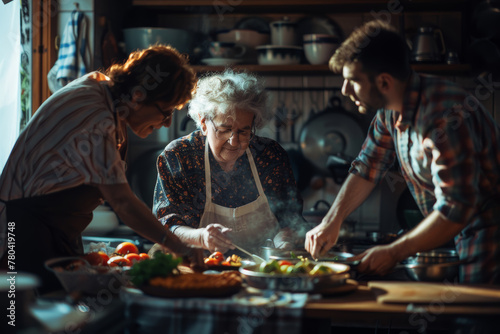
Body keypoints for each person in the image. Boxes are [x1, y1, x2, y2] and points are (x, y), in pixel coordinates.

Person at [305, 20, 500, 284]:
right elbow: (367, 167)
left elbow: (457, 206)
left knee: (477, 318)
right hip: (450, 227)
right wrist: (331, 220)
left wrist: (395, 251)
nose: (345, 90)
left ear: (384, 81)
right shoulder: (389, 111)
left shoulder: (443, 116)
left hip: (487, 229)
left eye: (353, 80)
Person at [0, 45, 200, 292]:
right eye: (166, 111)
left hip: (53, 229)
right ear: (138, 96)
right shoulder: (97, 119)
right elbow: (123, 202)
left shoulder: (101, 91)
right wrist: (177, 246)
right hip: (23, 231)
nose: (167, 122)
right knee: (22, 318)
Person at [153, 70, 307, 255]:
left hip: (262, 267)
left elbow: (290, 218)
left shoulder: (269, 156)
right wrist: (201, 237)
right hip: (198, 265)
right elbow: (167, 224)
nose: (234, 141)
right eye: (224, 130)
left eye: (244, 131)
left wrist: (285, 240)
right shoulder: (178, 157)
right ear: (203, 122)